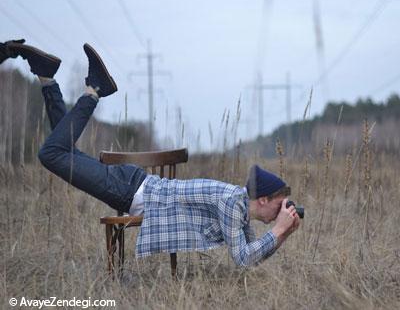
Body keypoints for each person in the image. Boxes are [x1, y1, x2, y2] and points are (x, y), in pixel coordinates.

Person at [0, 39, 301, 266]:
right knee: (51, 154)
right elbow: (242, 260)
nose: (281, 211)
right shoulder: (230, 204)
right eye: (279, 205)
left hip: (133, 187)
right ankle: (94, 90)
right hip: (128, 190)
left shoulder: (239, 208)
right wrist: (278, 227)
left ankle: (46, 78)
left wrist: (282, 231)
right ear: (262, 199)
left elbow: (250, 252)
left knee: (66, 153)